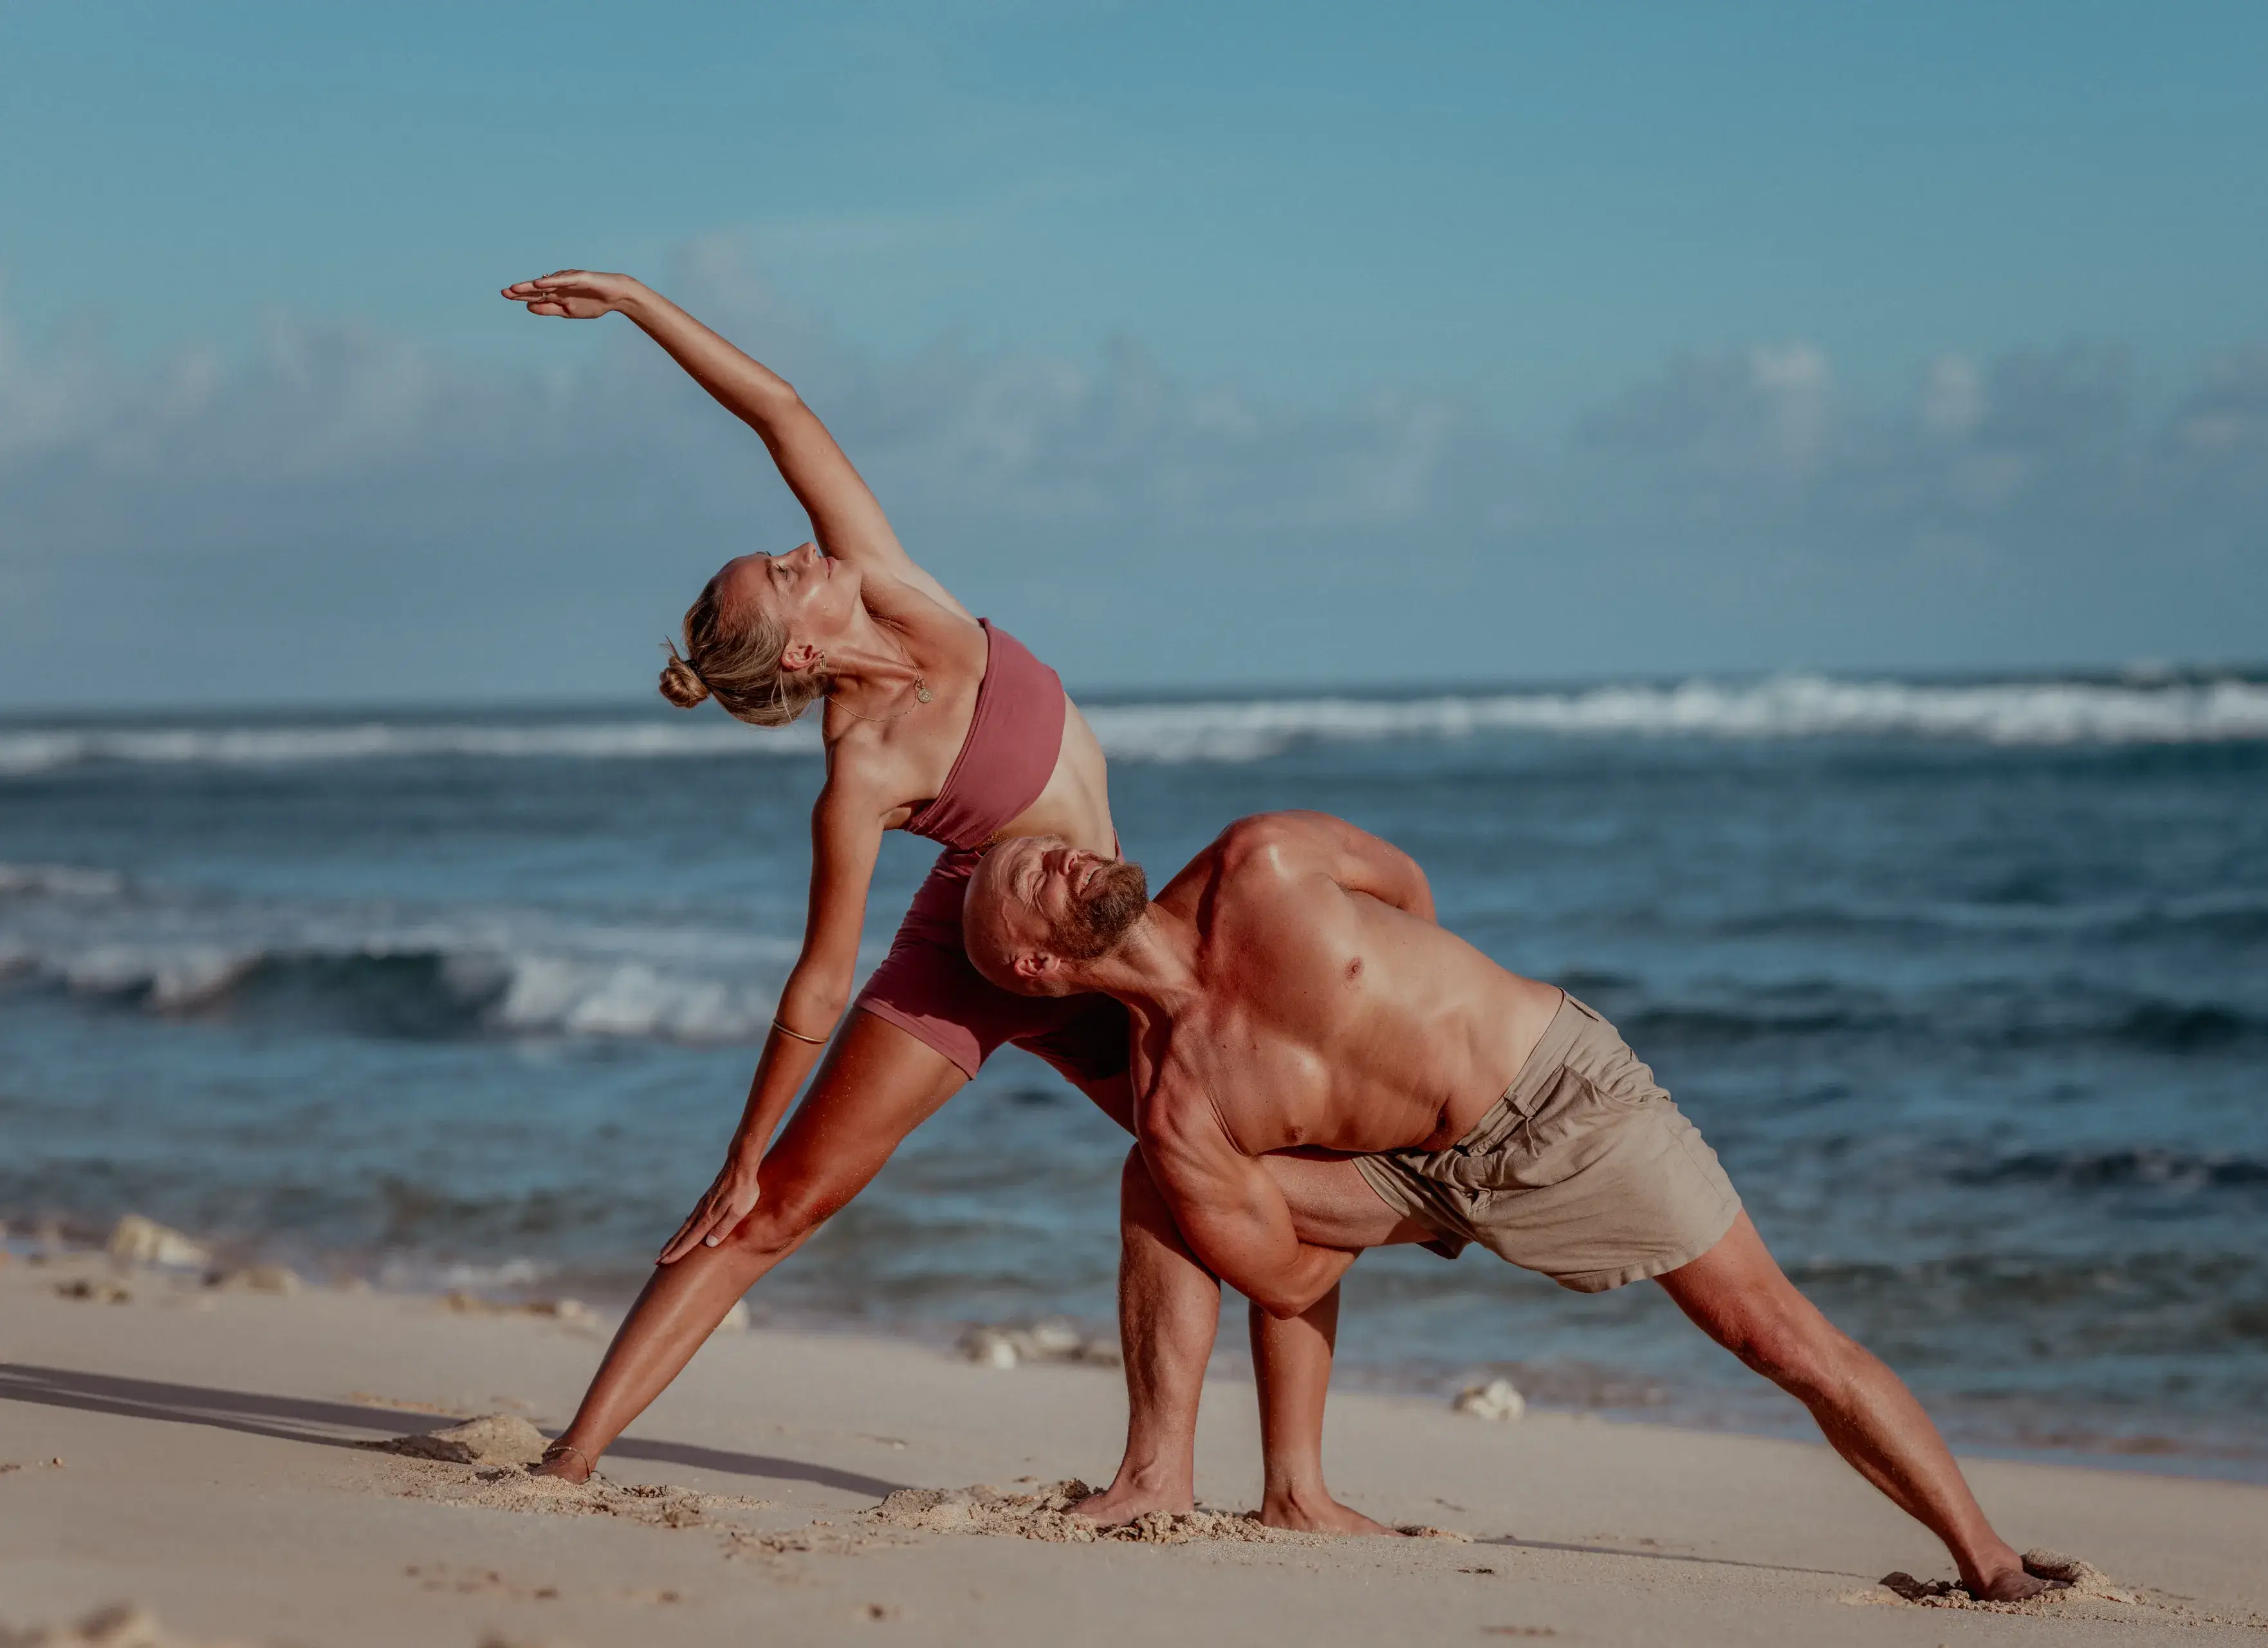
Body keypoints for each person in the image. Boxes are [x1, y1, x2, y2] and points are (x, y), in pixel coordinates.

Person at [493, 270, 1338, 1515]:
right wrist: (743, 1148)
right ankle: (571, 1458)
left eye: (783, 551)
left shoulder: (893, 585)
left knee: (1257, 1169)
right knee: (777, 1207)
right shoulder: (859, 776)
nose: (801, 551)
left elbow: (778, 411)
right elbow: (819, 982)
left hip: (1087, 942)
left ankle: (1290, 1490)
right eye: (783, 572)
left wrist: (634, 304)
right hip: (969, 951)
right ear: (799, 650)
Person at [961, 812, 2056, 1600]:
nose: (1063, 853)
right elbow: (1288, 1276)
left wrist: (1418, 1025)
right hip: (1411, 1177)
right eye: (1031, 876)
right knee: (1162, 1178)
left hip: (1560, 1102)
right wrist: (1351, 1184)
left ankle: (1987, 1559)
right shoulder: (1181, 1108)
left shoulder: (1264, 859)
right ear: (1034, 960)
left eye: (1053, 846)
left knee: (1773, 1334)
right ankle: (1208, 1483)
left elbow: (1406, 887)